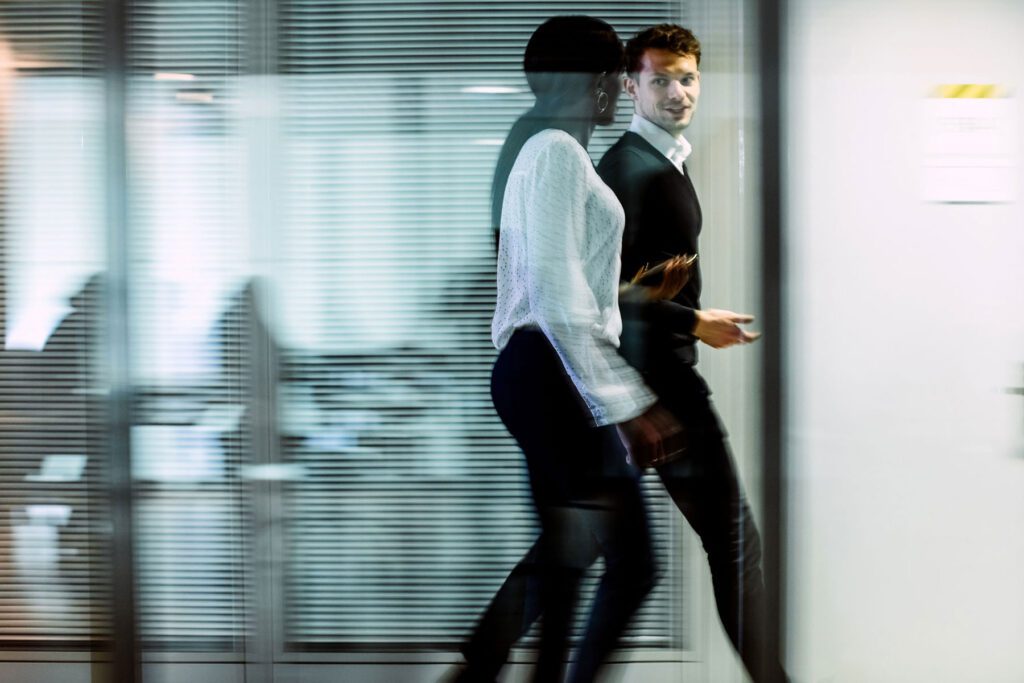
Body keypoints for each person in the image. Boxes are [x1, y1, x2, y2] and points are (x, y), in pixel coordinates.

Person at [454, 16, 683, 683]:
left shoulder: (551, 150)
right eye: (612, 71)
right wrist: (628, 402)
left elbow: (561, 281)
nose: (617, 85)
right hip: (548, 370)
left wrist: (631, 292)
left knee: (569, 548)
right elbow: (553, 296)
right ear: (587, 80)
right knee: (628, 559)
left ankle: (482, 671)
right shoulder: (554, 149)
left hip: (544, 368)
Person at [597, 24, 789, 683]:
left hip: (648, 379)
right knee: (735, 548)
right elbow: (594, 289)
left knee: (618, 567)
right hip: (657, 386)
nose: (678, 93)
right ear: (631, 86)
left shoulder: (663, 161)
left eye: (687, 78)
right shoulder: (626, 170)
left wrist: (692, 318)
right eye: (661, 80)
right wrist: (691, 320)